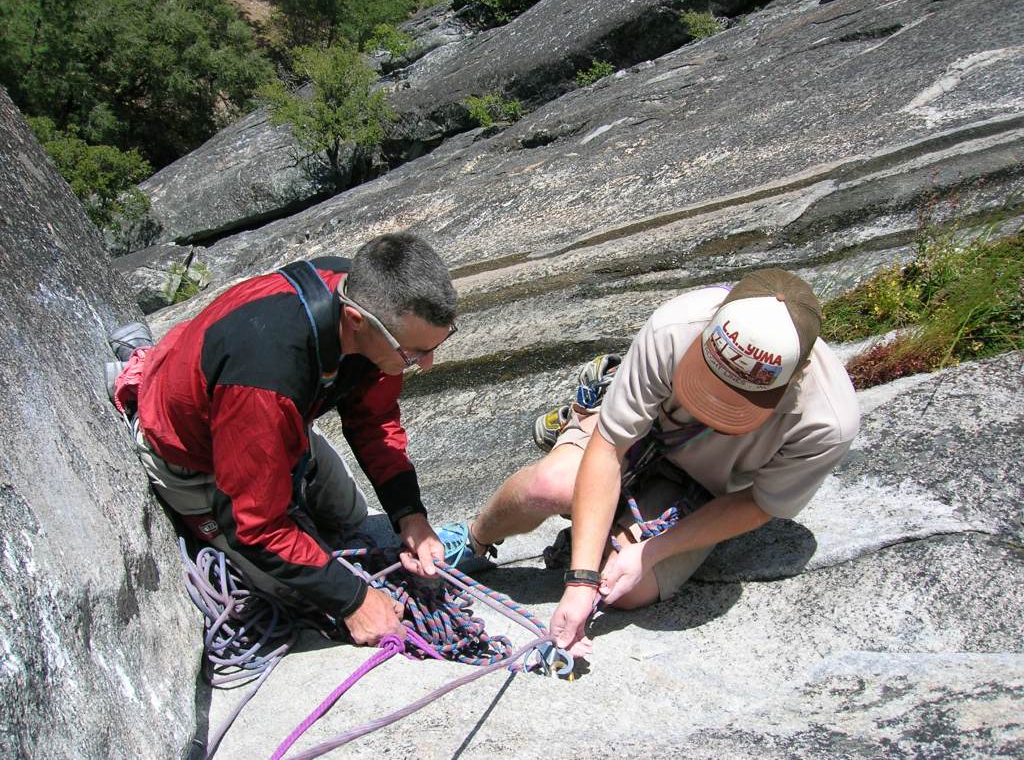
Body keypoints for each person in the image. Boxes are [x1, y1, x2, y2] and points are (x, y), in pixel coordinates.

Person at [440, 268, 859, 656]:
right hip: (641, 434)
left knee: (627, 590)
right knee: (549, 487)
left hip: (703, 485)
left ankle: (603, 527)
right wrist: (580, 579)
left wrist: (651, 552)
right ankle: (475, 538)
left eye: (735, 403)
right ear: (710, 327)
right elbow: (609, 447)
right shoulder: (676, 326)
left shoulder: (827, 422)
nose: (712, 407)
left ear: (798, 373)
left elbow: (759, 503)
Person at [112, 232, 460, 646]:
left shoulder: (369, 296)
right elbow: (252, 525)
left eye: (433, 346)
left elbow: (374, 421)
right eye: (413, 353)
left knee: (354, 522)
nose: (427, 364)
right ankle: (139, 373)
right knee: (304, 597)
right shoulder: (265, 380)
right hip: (195, 455)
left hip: (284, 421)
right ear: (355, 322)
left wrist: (410, 515)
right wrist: (353, 601)